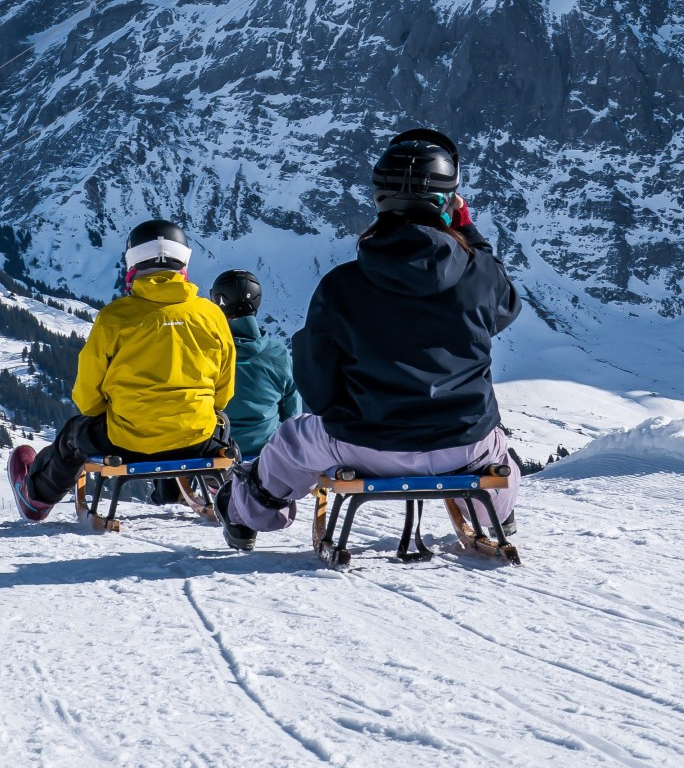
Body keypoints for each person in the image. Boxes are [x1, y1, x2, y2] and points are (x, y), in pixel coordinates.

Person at [215, 129, 521, 551]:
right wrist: (468, 232)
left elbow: (318, 392)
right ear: (451, 203)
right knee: (498, 451)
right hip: (463, 442)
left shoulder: (341, 286)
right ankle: (496, 512)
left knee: (289, 442)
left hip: (367, 443)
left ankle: (246, 515)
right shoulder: (481, 274)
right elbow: (506, 305)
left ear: (380, 201)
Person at [8, 219, 235, 522]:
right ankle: (228, 493)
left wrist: (121, 414)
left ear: (132, 263)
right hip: (196, 437)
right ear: (184, 261)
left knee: (73, 434)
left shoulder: (115, 318)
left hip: (126, 440)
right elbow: (224, 391)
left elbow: (87, 398)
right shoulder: (211, 315)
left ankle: (36, 497)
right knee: (221, 423)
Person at [209, 269, 302, 459]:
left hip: (216, 454)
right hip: (269, 455)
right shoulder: (278, 353)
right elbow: (292, 415)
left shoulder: (207, 352)